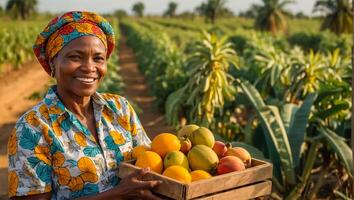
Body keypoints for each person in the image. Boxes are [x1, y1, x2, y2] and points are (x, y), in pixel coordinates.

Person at [7, 11, 162, 200]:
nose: (89, 67)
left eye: (98, 58)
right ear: (52, 62)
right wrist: (118, 194)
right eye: (75, 57)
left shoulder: (120, 108)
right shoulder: (32, 127)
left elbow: (150, 165)